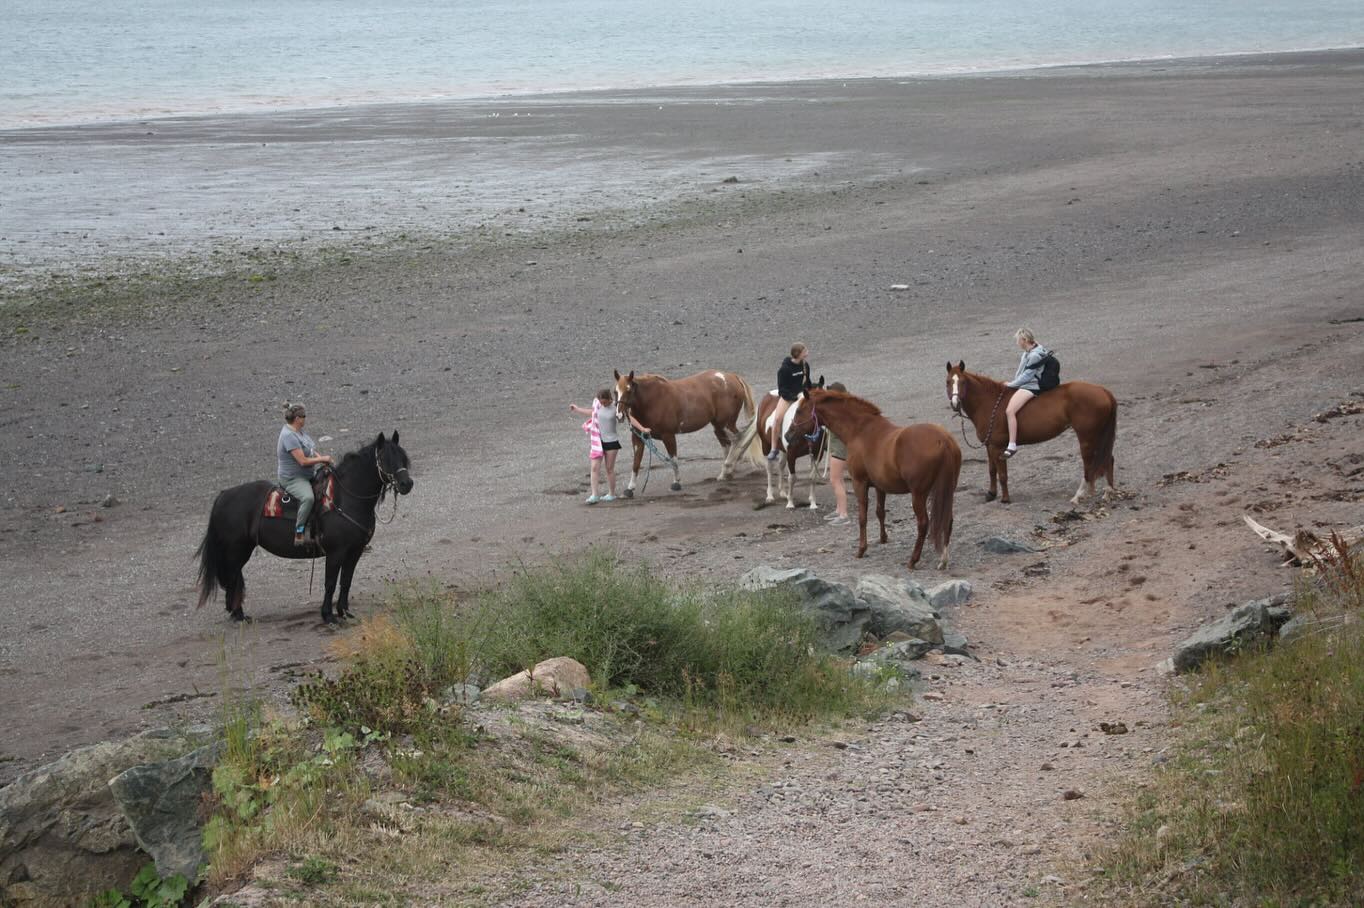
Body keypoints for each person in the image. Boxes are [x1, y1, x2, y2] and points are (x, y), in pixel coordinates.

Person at [277, 403, 333, 545]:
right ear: (297, 418)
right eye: (304, 416)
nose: (305, 419)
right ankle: (299, 531)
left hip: (307, 475)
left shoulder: (300, 432)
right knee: (308, 498)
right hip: (293, 478)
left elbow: (311, 451)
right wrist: (322, 459)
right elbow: (302, 461)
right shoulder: (288, 436)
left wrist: (323, 461)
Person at [570, 389, 632, 504]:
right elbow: (592, 412)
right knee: (594, 468)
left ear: (609, 399)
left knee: (609, 469)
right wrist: (577, 409)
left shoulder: (616, 407)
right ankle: (594, 495)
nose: (602, 404)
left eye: (604, 402)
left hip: (612, 442)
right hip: (598, 441)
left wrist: (642, 429)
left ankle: (611, 494)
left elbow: (629, 417)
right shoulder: (598, 405)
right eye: (600, 402)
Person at [1003, 327, 1051, 459]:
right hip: (1025, 384)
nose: (1017, 343)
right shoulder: (1028, 352)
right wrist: (1014, 383)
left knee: (1010, 411)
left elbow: (1027, 376)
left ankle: (1012, 445)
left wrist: (1011, 385)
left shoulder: (1034, 355)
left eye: (1018, 340)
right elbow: (1021, 373)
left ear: (1024, 340)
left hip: (1031, 386)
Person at [770, 342, 811, 460]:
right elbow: (782, 389)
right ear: (798, 354)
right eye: (805, 351)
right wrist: (793, 398)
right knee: (777, 419)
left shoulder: (805, 365)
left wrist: (811, 392)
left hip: (801, 394)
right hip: (788, 397)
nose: (807, 353)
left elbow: (807, 382)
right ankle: (774, 448)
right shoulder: (784, 369)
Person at [822, 382, 851, 526]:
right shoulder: (845, 407)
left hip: (839, 450)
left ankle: (843, 514)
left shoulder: (840, 412)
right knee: (838, 480)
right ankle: (839, 509)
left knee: (835, 480)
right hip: (838, 448)